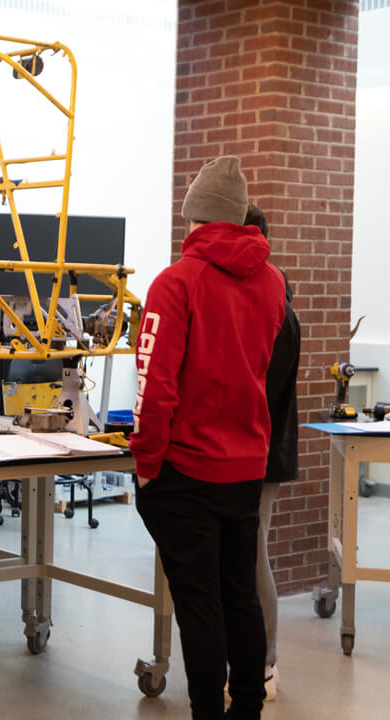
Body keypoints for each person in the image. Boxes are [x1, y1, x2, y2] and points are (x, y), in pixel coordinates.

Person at [129, 156, 286, 720]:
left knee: (199, 604)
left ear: (193, 217)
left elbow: (155, 383)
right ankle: (246, 709)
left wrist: (147, 461)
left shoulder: (176, 282)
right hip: (247, 465)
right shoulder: (272, 282)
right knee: (238, 595)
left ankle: (205, 713)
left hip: (187, 470)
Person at [241, 203, 300, 702]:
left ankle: (264, 665)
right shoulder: (269, 296)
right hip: (252, 451)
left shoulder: (274, 305)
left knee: (252, 553)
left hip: (260, 454)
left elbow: (260, 390)